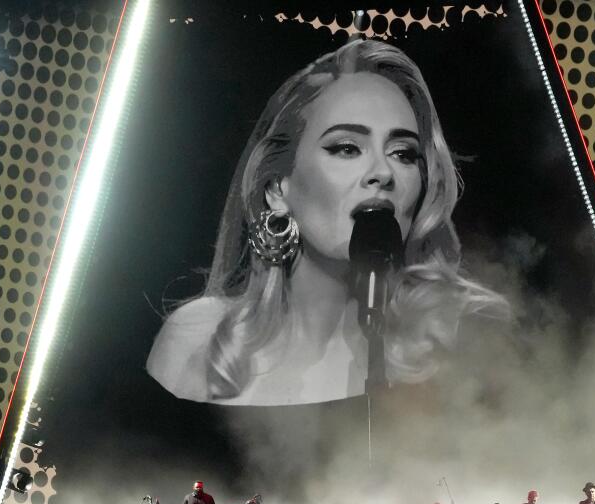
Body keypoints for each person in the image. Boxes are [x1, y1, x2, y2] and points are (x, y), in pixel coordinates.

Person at [146, 38, 504, 406]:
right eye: (346, 148)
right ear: (277, 188)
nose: (382, 172)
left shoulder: (469, 337)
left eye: (403, 153)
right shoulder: (196, 343)